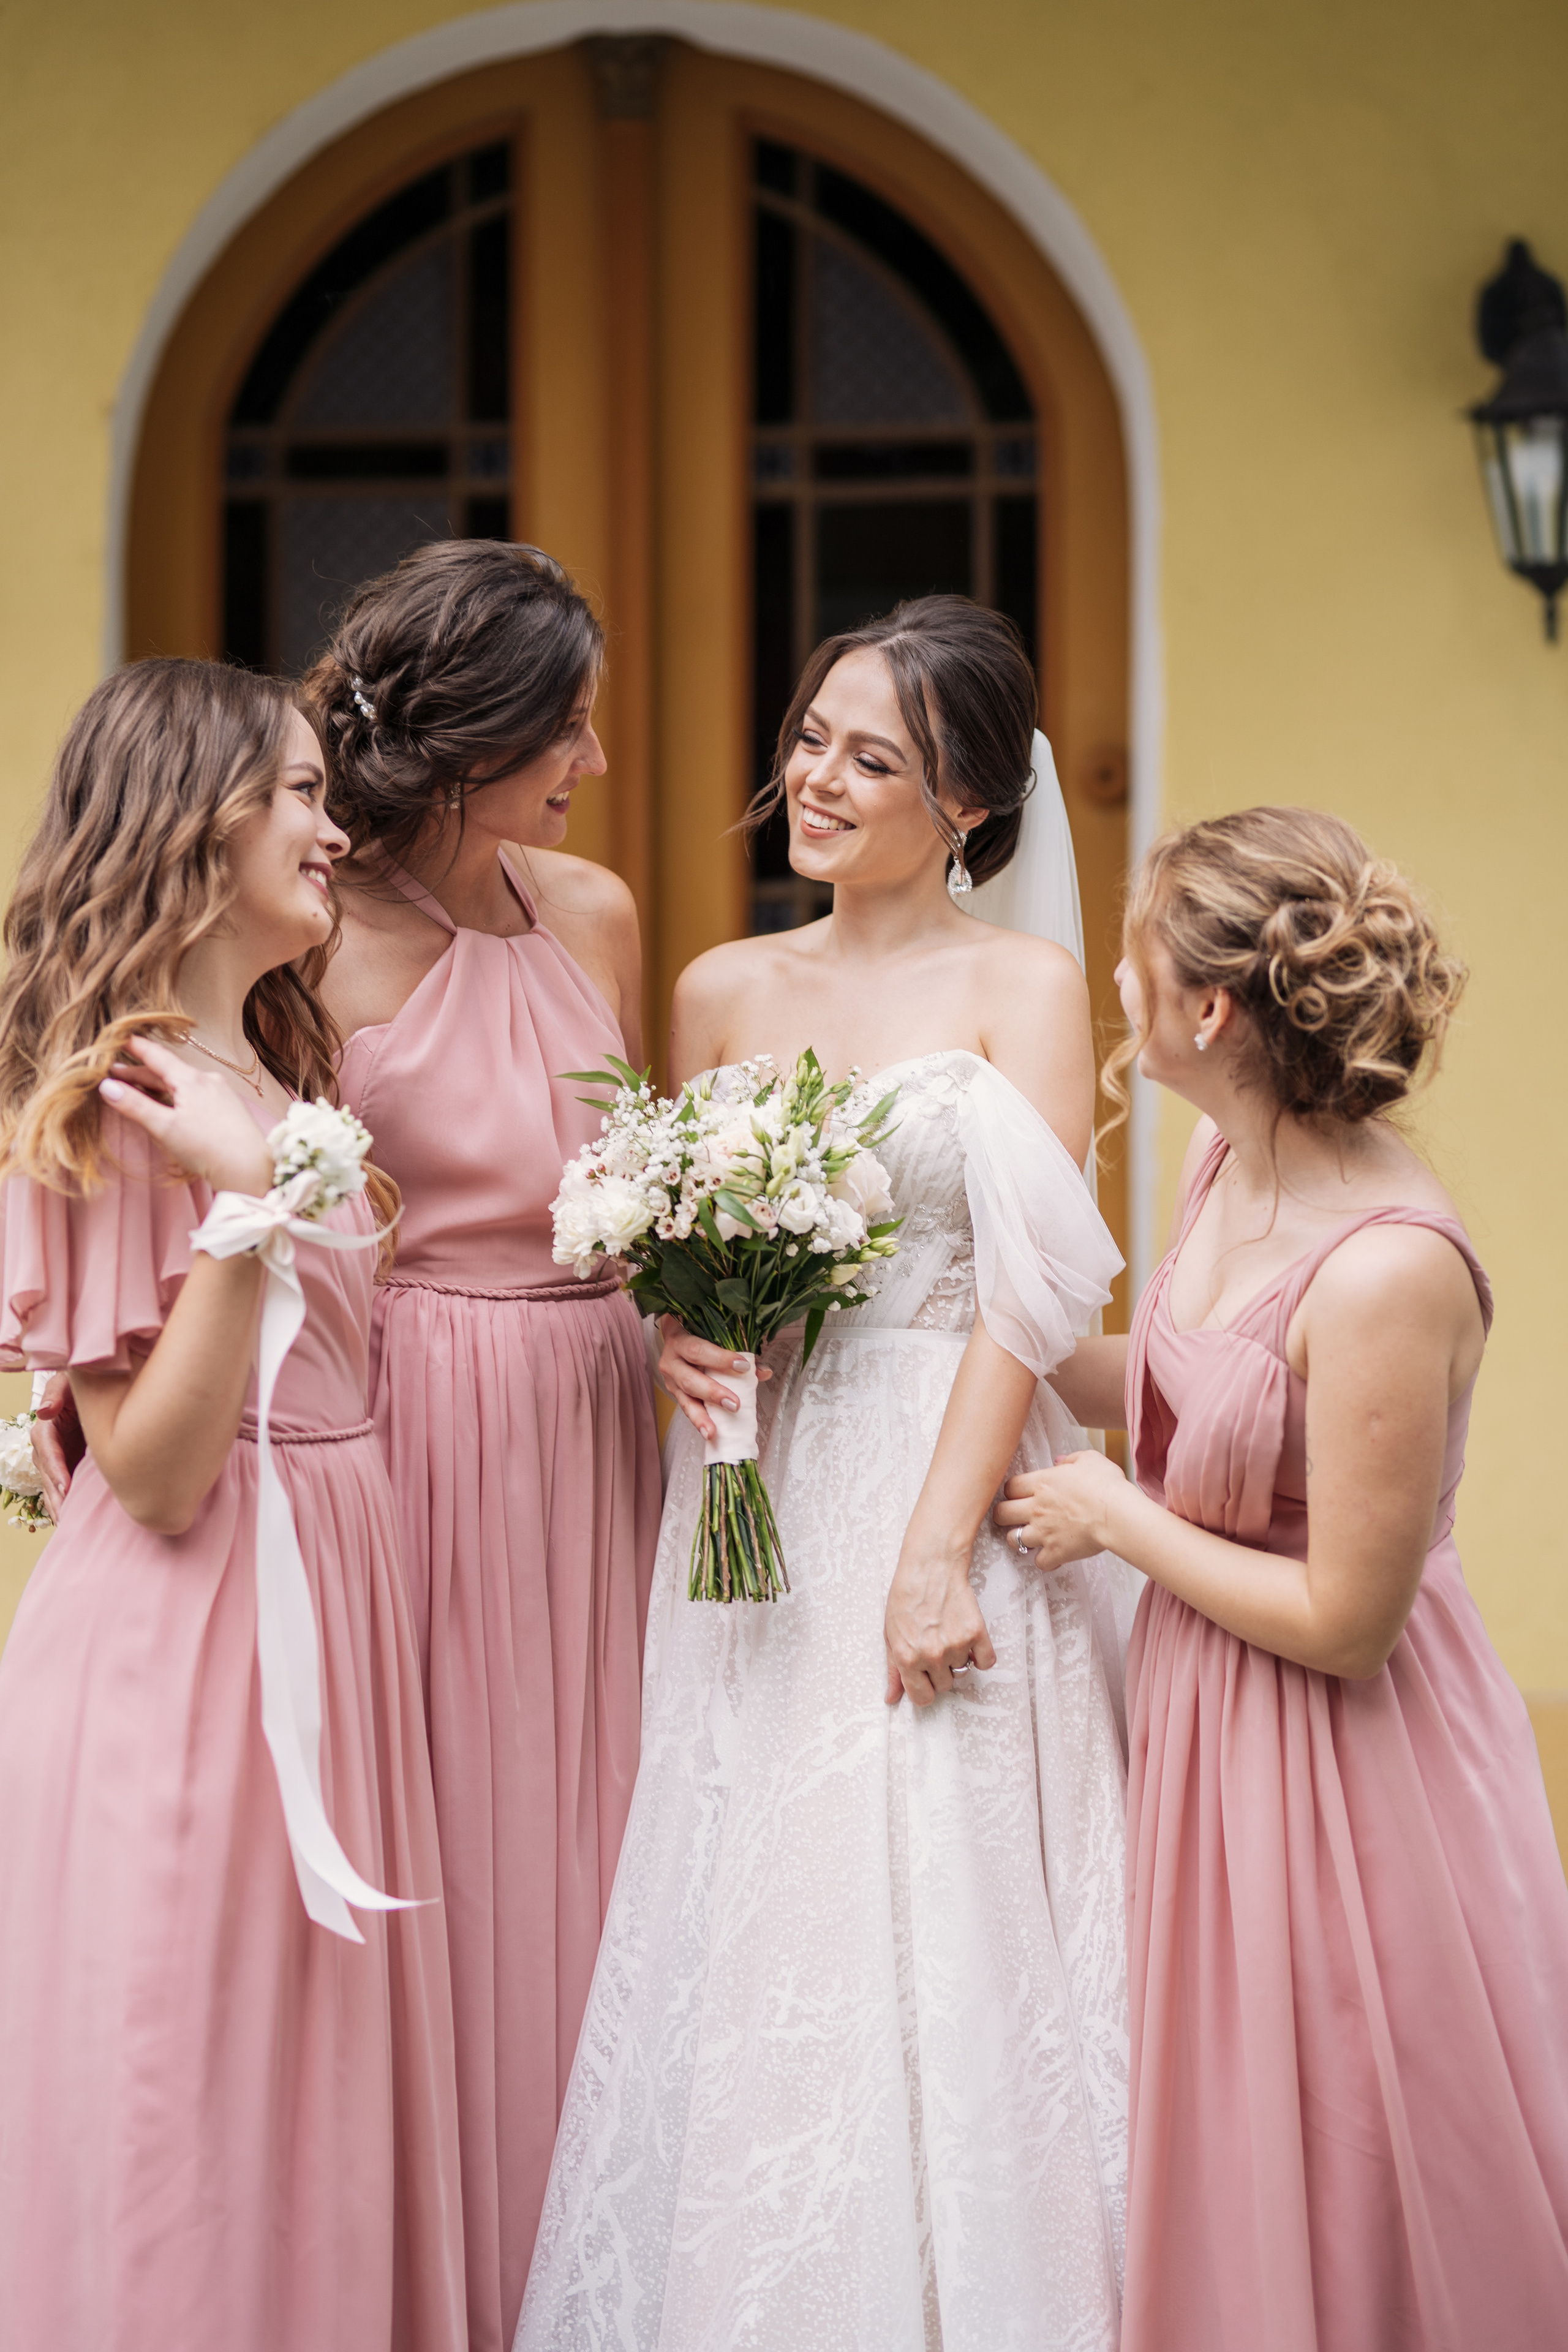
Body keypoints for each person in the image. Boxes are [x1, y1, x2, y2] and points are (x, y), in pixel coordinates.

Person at [518, 596, 1139, 2352]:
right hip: (756, 1503)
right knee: (756, 1889)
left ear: (967, 807)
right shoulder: (722, 984)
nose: (819, 778)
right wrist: (678, 1339)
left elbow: (1029, 1289)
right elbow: (668, 1253)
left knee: (943, 1878)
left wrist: (938, 1554)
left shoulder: (1018, 985)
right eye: (811, 738)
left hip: (956, 1468)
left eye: (874, 758)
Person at [995, 807, 1568, 2351]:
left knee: (1351, 2138)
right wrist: (940, 1330)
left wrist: (1112, 1523)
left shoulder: (1386, 1268)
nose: (1111, 985)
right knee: (1229, 2121)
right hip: (1204, 1714)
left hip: (1349, 1765)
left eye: (1136, 960)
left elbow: (1345, 1622)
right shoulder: (1215, 1154)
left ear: (1208, 1011)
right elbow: (1174, 1382)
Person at [0, 661, 465, 2350]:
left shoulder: (266, 1072)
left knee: (305, 2097)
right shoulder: (117, 1096)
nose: (330, 827)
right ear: (191, 825)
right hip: (192, 1646)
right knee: (184, 2090)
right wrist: (248, 1206)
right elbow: (160, 1466)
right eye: (291, 793)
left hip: (327, 1603)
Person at [302, 540, 662, 2352]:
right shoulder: (312, 937)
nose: (591, 759)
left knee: (627, 1836)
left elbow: (635, 1176)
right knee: (466, 1853)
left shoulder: (589, 908)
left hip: (619, 1421)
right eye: (567, 727)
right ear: (468, 743)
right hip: (426, 1427)